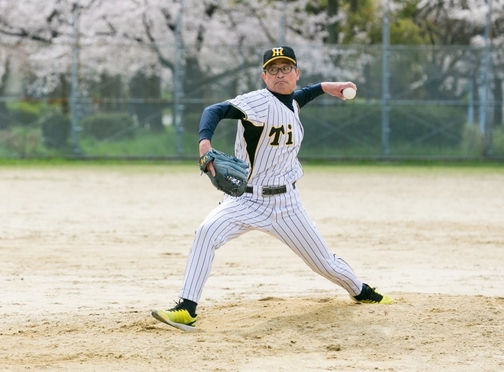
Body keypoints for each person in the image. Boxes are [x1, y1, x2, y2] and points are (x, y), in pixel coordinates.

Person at [152, 46, 393, 332]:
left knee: (325, 264)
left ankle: (362, 291)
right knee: (206, 232)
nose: (280, 74)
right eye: (273, 70)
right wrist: (205, 143)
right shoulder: (257, 102)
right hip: (246, 199)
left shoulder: (291, 101)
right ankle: (186, 308)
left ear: (296, 73)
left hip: (287, 204)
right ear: (264, 76)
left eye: (286, 68)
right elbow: (213, 110)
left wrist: (327, 87)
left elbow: (298, 97)